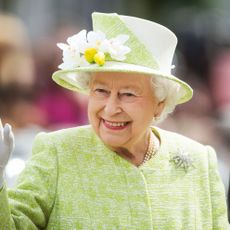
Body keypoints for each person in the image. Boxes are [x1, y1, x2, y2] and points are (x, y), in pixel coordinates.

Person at [0, 12, 229, 229]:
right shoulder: (57, 153)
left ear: (160, 102)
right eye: (100, 91)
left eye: (128, 94)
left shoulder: (200, 161)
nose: (110, 109)